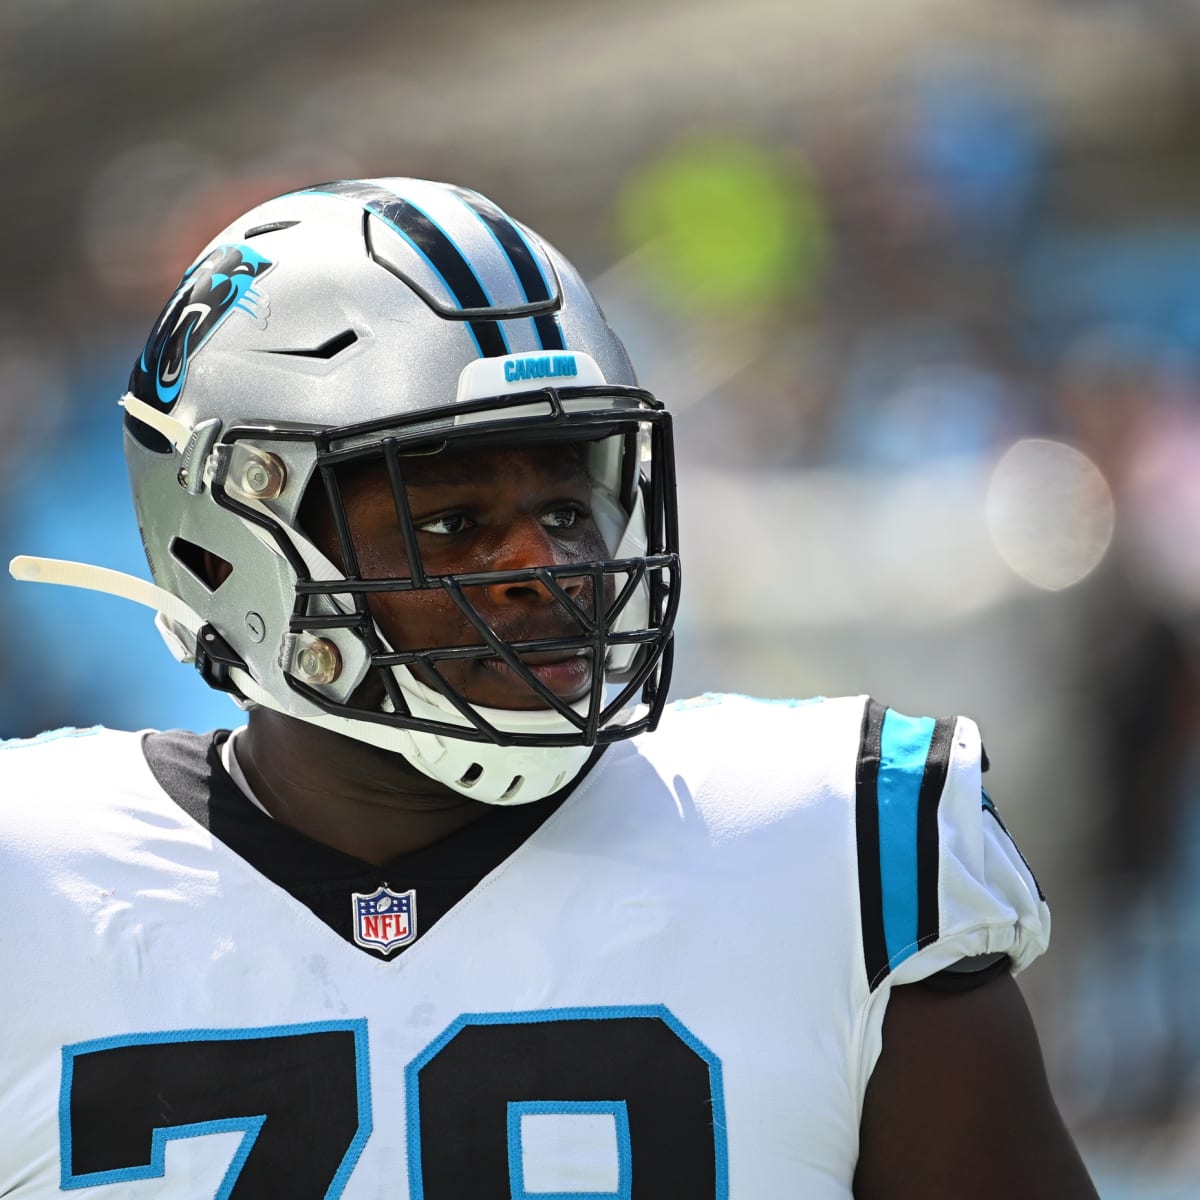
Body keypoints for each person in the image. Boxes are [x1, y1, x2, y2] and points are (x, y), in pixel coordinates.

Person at [2, 177, 1096, 1198]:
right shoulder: (33, 882)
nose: (549, 568)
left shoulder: (831, 842)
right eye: (454, 523)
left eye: (568, 509)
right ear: (229, 541)